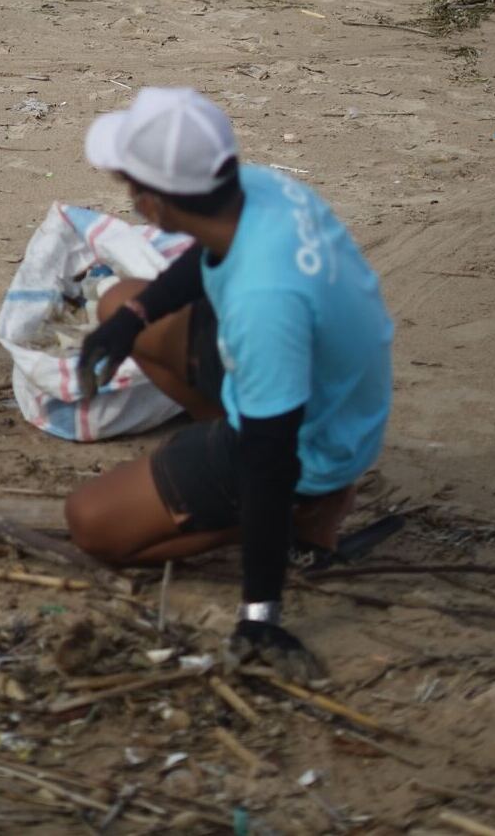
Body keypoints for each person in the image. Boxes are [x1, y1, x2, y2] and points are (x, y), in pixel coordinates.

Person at [64, 87, 393, 679]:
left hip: (310, 445)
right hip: (332, 395)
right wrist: (133, 322)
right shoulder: (260, 188)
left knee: (92, 523)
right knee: (120, 303)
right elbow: (204, 257)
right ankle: (242, 478)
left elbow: (270, 457)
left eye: (133, 188)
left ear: (159, 202)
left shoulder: (262, 301)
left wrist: (259, 613)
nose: (132, 200)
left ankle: (307, 511)